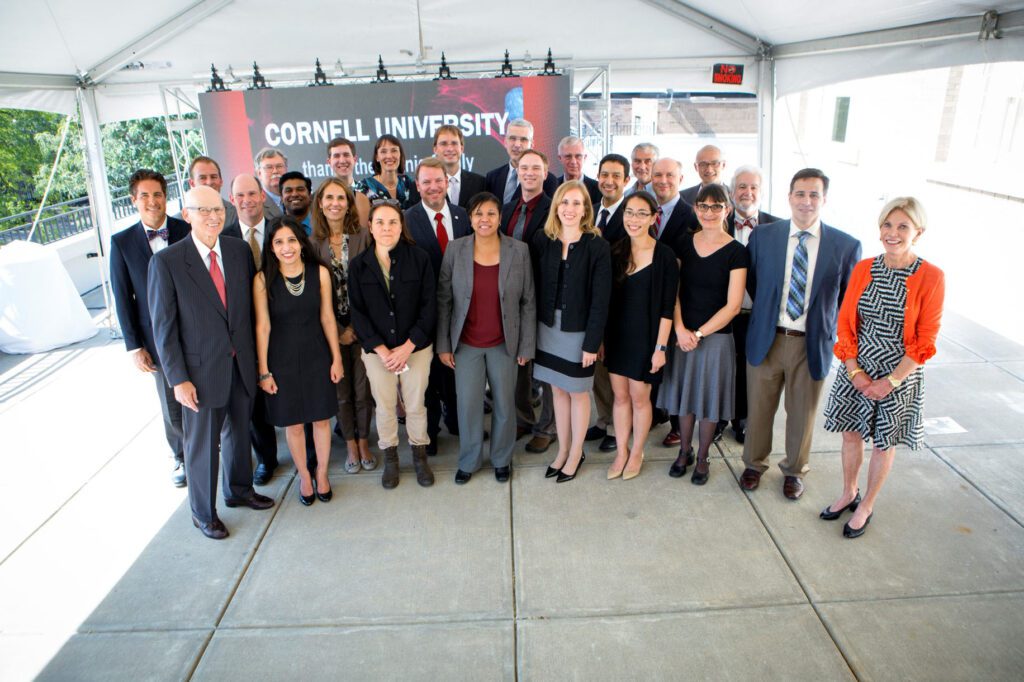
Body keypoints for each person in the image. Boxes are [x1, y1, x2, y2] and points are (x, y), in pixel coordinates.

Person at [148, 186, 274, 540]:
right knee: (202, 445)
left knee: (238, 431)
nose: (213, 216)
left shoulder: (237, 251)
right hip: (199, 373)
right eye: (203, 210)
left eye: (218, 209)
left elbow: (247, 312)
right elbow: (164, 328)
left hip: (241, 365)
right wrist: (178, 379)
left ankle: (238, 490)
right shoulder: (167, 262)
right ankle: (203, 512)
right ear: (186, 215)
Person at [821, 197, 944, 538]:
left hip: (899, 372)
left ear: (918, 232)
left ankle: (867, 504)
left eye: (902, 226)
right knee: (850, 433)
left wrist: (889, 382)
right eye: (887, 225)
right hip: (856, 365)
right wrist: (855, 371)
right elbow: (844, 323)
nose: (892, 233)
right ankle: (849, 491)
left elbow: (925, 339)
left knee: (882, 443)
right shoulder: (864, 268)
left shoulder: (932, 277)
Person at [739, 168, 862, 500]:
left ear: (824, 200)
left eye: (814, 195)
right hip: (768, 336)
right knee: (759, 408)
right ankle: (753, 464)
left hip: (810, 343)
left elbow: (848, 299)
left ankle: (794, 470)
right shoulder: (763, 236)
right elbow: (754, 282)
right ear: (789, 197)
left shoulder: (845, 245)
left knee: (802, 414)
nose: (806, 201)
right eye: (800, 194)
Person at [436, 192, 536, 484]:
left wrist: (526, 345)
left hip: (505, 343)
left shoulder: (519, 250)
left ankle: (502, 459)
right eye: (479, 213)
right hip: (466, 344)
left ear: (500, 218)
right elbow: (444, 300)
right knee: (468, 406)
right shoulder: (455, 250)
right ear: (469, 218)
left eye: (491, 213)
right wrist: (444, 345)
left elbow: (528, 301)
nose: (485, 219)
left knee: (505, 405)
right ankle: (469, 461)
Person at [661, 184, 748, 485]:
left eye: (716, 206)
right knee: (685, 398)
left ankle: (702, 457)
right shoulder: (684, 244)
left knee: (709, 402)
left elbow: (734, 305)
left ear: (727, 209)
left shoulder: (737, 251)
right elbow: (673, 292)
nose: (709, 212)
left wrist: (697, 333)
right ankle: (684, 451)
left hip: (716, 339)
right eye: (703, 206)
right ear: (695, 208)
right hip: (682, 334)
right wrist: (680, 329)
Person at [109, 169, 190, 487]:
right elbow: (122, 296)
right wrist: (134, 346)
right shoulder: (122, 242)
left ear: (165, 197)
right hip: (154, 337)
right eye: (144, 195)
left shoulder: (187, 229)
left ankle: (211, 444)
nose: (152, 201)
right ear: (133, 200)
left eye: (157, 194)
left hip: (195, 328)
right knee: (170, 397)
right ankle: (181, 455)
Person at [348, 200, 437, 489]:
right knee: (385, 407)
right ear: (371, 227)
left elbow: (429, 307)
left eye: (393, 222)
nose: (387, 228)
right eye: (380, 222)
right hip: (378, 353)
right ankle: (391, 459)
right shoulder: (359, 266)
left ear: (402, 226)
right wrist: (384, 351)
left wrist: (408, 346)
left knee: (415, 405)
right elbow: (358, 314)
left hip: (415, 348)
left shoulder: (419, 258)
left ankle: (419, 456)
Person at [254, 217, 343, 505]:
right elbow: (262, 327)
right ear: (271, 247)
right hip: (282, 360)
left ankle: (322, 473)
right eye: (279, 242)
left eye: (291, 240)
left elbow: (328, 318)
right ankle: (304, 475)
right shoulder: (263, 279)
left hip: (317, 354)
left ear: (301, 243)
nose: (286, 247)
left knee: (320, 419)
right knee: (292, 424)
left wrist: (336, 358)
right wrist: (264, 371)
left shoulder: (319, 273)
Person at [532, 181, 612, 483]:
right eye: (565, 202)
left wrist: (592, 343)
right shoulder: (544, 240)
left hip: (578, 333)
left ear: (585, 210)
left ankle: (576, 452)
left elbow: (600, 300)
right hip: (547, 329)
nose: (570, 209)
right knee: (557, 390)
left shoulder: (597, 246)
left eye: (577, 203)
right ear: (557, 207)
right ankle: (563, 449)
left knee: (578, 393)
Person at [603, 191, 678, 480]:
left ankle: (637, 452)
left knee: (639, 397)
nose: (634, 219)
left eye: (641, 213)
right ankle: (621, 451)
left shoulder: (665, 256)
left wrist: (660, 347)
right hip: (618, 337)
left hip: (647, 339)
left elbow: (667, 308)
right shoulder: (616, 250)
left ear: (653, 217)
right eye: (629, 213)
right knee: (619, 397)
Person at [405, 158, 471, 453]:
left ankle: (458, 422)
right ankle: (430, 432)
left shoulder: (463, 216)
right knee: (428, 375)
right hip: (423, 311)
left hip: (461, 311)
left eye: (438, 180)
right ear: (417, 186)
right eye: (426, 182)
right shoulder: (406, 220)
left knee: (457, 371)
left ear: (447, 182)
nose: (433, 187)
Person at [310, 178, 375, 474]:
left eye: (341, 198)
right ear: (320, 204)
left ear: (349, 204)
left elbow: (374, 285)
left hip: (363, 327)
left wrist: (358, 328)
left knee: (363, 391)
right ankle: (349, 442)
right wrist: (338, 330)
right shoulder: (310, 245)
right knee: (342, 393)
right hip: (329, 331)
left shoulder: (364, 237)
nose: (335, 203)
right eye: (329, 198)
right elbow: (312, 294)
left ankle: (364, 441)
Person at [222, 174, 279, 485]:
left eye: (252, 193)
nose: (247, 200)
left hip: (284, 325)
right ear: (232, 199)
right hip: (245, 331)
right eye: (240, 195)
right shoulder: (225, 237)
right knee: (254, 399)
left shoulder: (282, 229)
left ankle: (307, 452)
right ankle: (266, 459)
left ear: (262, 196)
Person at [500, 149, 556, 454]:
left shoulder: (555, 209)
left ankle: (548, 426)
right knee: (517, 365)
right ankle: (523, 417)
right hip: (513, 301)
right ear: (517, 171)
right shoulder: (507, 210)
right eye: (525, 167)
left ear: (545, 173)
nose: (530, 172)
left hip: (544, 298)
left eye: (536, 167)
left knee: (546, 368)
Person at [722, 165, 780, 445]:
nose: (747, 192)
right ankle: (720, 417)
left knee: (751, 371)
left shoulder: (778, 228)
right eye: (742, 187)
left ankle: (744, 420)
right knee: (724, 369)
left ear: (762, 192)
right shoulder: (717, 221)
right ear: (732, 193)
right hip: (722, 313)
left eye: (753, 187)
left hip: (758, 315)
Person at [649, 157, 700, 449]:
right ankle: (656, 412)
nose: (663, 180)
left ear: (681, 179)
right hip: (648, 304)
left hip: (679, 303)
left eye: (670, 175)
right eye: (658, 175)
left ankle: (678, 427)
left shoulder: (692, 216)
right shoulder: (644, 210)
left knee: (676, 370)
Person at [586, 153, 633, 452]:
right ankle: (604, 419)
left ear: (626, 181)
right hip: (592, 306)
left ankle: (619, 428)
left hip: (622, 307)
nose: (609, 181)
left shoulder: (633, 213)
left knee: (618, 370)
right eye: (605, 174)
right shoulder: (586, 212)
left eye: (616, 175)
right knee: (599, 369)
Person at [484, 119, 558, 203]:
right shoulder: (492, 177)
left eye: (523, 140)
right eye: (512, 138)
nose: (517, 145)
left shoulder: (548, 180)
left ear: (532, 144)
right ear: (505, 142)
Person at [354, 135, 421, 209]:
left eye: (394, 150)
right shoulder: (364, 187)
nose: (389, 156)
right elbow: (363, 221)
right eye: (383, 151)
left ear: (400, 154)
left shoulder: (408, 184)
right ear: (377, 157)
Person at [432, 124, 486, 209]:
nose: (450, 149)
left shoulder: (480, 183)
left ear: (462, 148)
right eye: (444, 144)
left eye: (454, 143)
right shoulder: (426, 186)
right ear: (435, 149)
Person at [326, 137, 371, 226]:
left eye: (346, 155)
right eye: (336, 156)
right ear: (329, 162)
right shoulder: (321, 195)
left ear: (354, 159)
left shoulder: (369, 193)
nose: (342, 161)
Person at [180, 156, 237, 225]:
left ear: (221, 181)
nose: (209, 182)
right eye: (202, 178)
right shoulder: (180, 221)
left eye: (213, 177)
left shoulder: (236, 213)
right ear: (192, 183)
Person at [556, 136, 601, 204]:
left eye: (578, 156)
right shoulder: (552, 187)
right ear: (560, 158)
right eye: (568, 156)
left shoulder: (598, 190)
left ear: (585, 158)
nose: (573, 162)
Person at [253, 147, 286, 217]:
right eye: (269, 167)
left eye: (279, 166)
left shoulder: (295, 198)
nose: (275, 171)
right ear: (259, 173)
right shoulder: (256, 206)